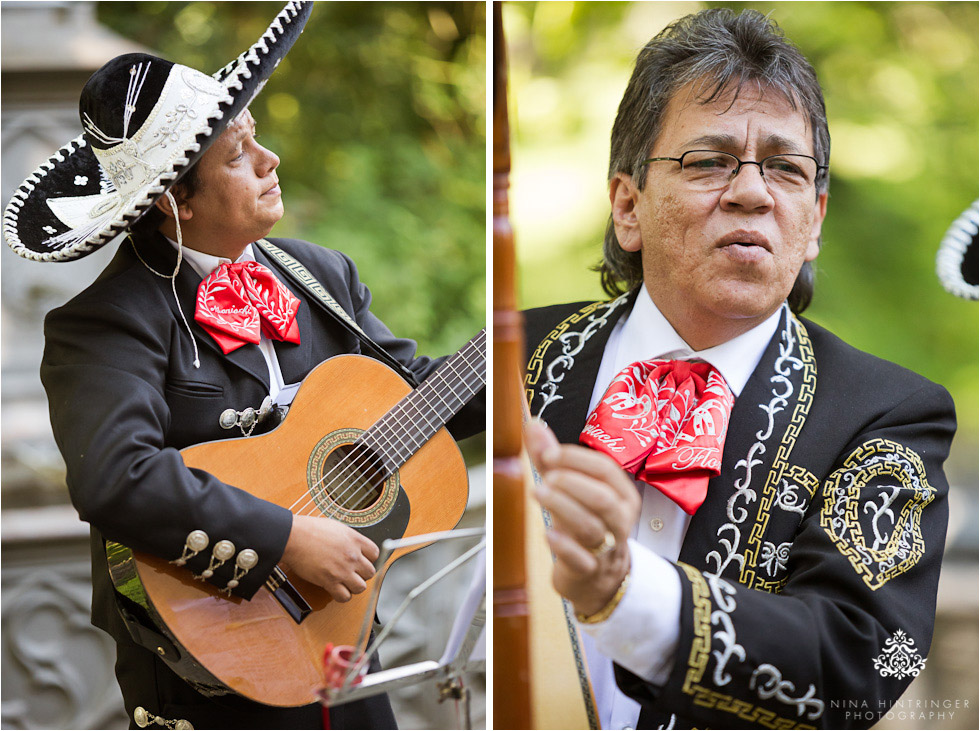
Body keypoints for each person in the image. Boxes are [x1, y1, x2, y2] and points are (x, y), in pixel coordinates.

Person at [3, 3, 483, 729]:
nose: (270, 161)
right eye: (237, 155)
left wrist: (530, 349)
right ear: (174, 202)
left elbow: (410, 397)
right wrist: (287, 538)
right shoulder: (105, 322)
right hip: (207, 676)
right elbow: (117, 474)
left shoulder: (322, 275)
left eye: (257, 138)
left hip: (339, 647)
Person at [521, 8, 955, 730]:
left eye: (785, 168)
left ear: (813, 219)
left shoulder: (891, 413)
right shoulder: (520, 348)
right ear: (627, 205)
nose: (752, 191)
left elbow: (868, 664)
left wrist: (626, 591)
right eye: (709, 159)